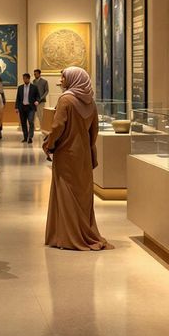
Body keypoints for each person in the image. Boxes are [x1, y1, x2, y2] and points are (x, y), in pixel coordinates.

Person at [43, 67, 112, 251]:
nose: (61, 80)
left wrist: (49, 144)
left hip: (66, 154)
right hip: (83, 155)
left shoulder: (66, 100)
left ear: (73, 79)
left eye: (63, 77)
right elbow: (94, 131)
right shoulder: (90, 102)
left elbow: (57, 126)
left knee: (66, 193)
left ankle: (67, 236)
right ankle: (83, 231)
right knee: (82, 195)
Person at [15, 72, 40, 143]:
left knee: (31, 121)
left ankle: (30, 137)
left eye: (25, 78)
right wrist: (16, 107)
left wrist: (37, 101)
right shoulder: (20, 88)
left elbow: (38, 96)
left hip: (31, 107)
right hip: (22, 107)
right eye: (23, 78)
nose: (24, 80)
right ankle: (25, 137)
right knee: (23, 123)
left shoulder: (34, 87)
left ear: (29, 79)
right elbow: (18, 98)